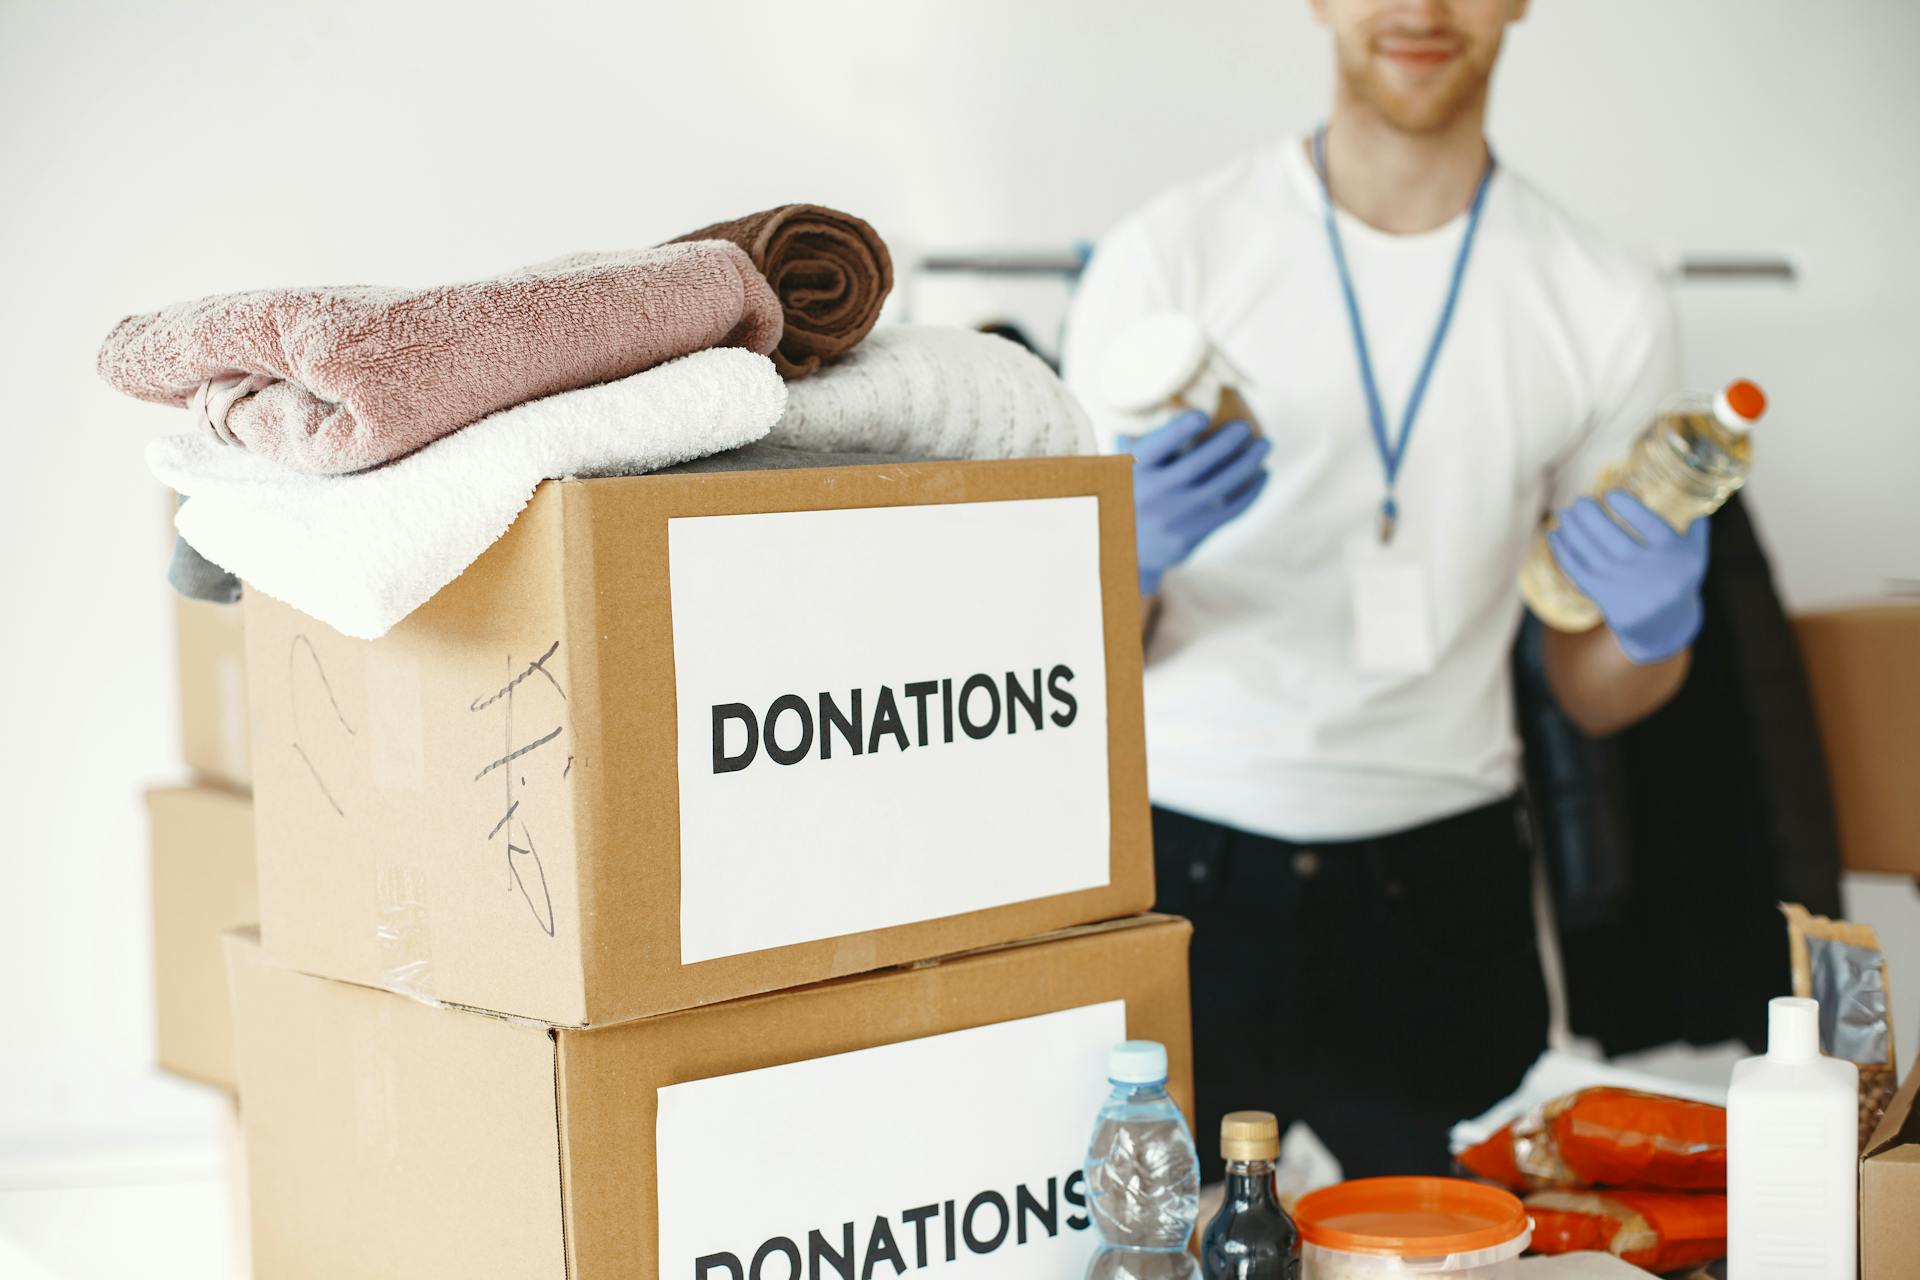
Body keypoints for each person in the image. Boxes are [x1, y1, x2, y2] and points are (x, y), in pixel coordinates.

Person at [1062, 0, 1709, 1180]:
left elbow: (1597, 693)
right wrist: (1127, 565)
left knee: (1476, 1257)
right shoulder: (1169, 258)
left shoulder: (1602, 299)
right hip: (1179, 872)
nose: (1418, 10)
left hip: (1444, 886)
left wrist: (1653, 625)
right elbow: (1065, 667)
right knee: (1135, 1256)